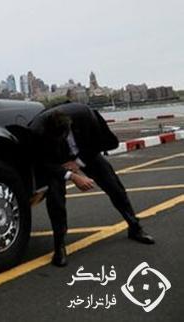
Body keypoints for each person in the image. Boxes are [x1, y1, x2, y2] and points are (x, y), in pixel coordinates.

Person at [28, 102, 155, 267]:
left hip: (86, 153)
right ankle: (59, 246)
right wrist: (72, 176)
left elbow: (107, 142)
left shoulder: (86, 116)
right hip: (56, 162)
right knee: (55, 200)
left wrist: (78, 163)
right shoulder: (36, 130)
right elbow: (41, 162)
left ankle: (135, 227)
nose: (59, 140)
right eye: (55, 139)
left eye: (62, 137)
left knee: (114, 186)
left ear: (70, 126)